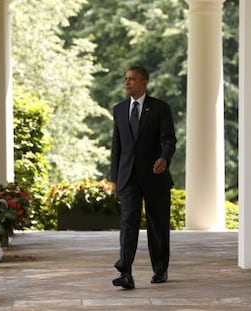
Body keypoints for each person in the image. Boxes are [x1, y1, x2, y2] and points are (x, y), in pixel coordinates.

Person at [110, 66, 177, 289]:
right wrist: (114, 178)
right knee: (128, 222)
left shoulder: (159, 108)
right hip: (128, 177)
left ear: (144, 82)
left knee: (157, 224)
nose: (127, 83)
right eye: (125, 79)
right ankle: (125, 271)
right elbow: (116, 147)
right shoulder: (119, 110)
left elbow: (169, 140)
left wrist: (164, 158)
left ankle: (160, 269)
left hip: (155, 176)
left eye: (132, 79)